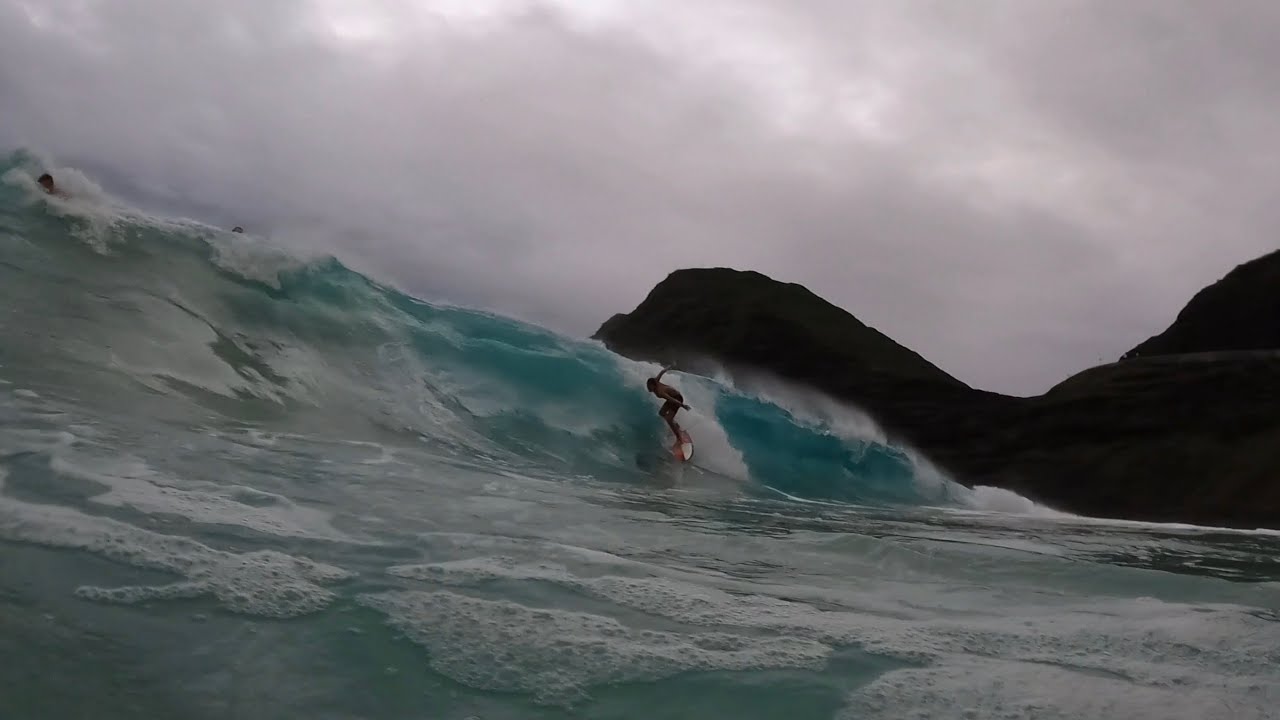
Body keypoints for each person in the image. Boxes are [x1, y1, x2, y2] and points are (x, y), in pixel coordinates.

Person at [646, 366, 690, 440]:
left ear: (653, 385)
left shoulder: (660, 392)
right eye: (647, 386)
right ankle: (676, 426)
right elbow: (662, 372)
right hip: (671, 398)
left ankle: (679, 438)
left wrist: (683, 405)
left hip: (677, 398)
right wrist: (668, 367)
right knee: (661, 413)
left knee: (669, 419)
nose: (648, 388)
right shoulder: (656, 381)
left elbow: (671, 399)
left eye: (649, 386)